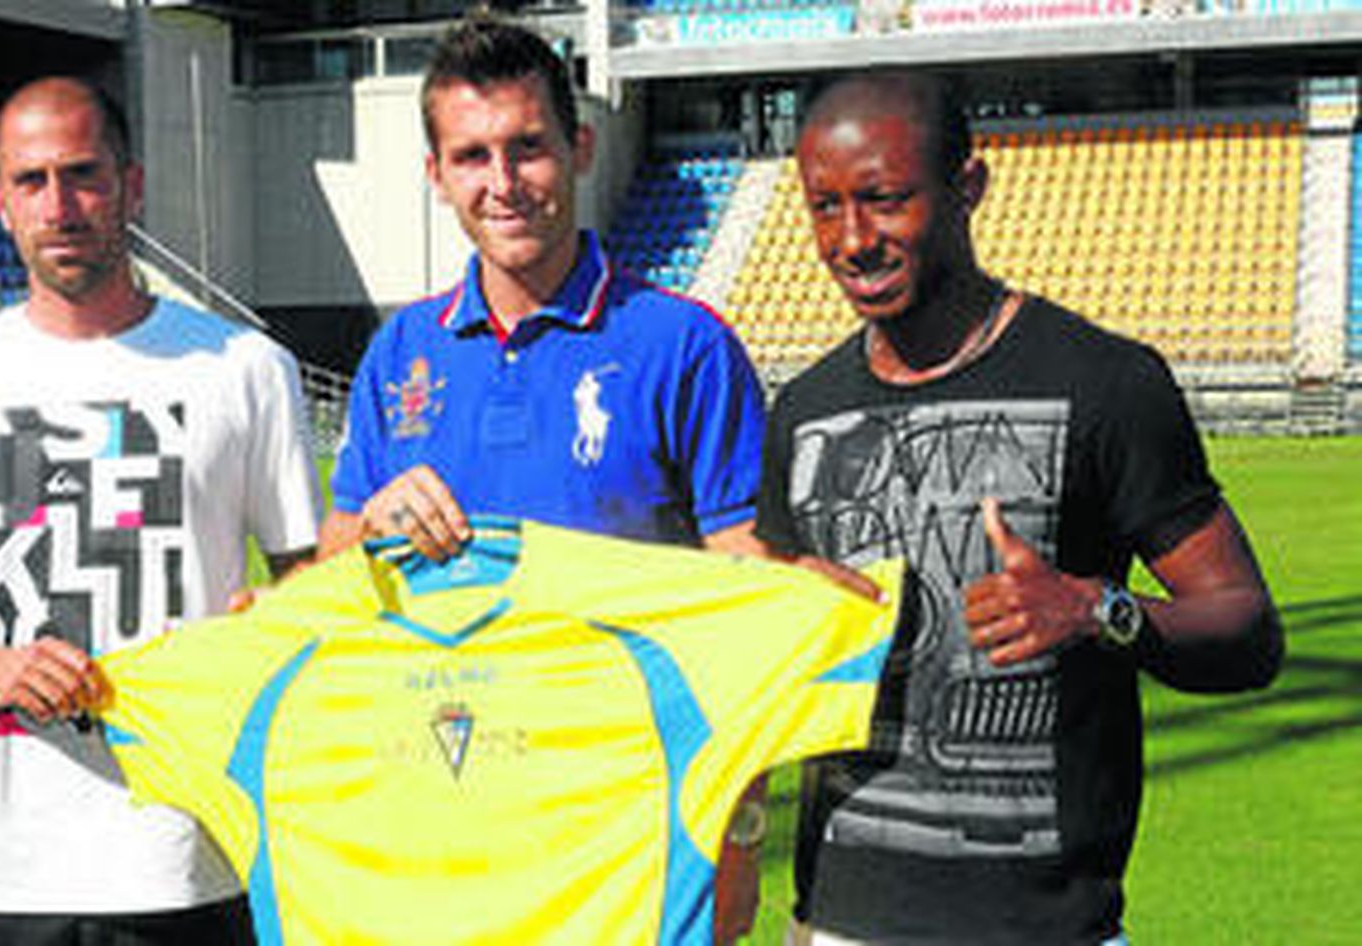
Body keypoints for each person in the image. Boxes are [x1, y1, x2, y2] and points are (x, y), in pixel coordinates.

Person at [757, 72, 1283, 944]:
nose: (852, 240)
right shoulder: (803, 412)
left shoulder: (1107, 383)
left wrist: (1097, 610)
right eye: (824, 207)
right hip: (839, 924)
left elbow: (1249, 634)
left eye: (885, 200)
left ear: (969, 188)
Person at [316, 15, 775, 942]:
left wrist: (743, 823)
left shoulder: (684, 344)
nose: (504, 182)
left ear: (580, 147)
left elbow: (748, 585)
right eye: (473, 155)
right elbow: (329, 571)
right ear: (436, 175)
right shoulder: (398, 351)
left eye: (528, 147)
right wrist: (371, 526)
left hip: (632, 817)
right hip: (447, 811)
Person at [0, 76, 322, 944]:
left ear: (132, 185)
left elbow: (308, 587)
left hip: (185, 862)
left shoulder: (247, 369)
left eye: (84, 174)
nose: (60, 205)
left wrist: (278, 623)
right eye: (31, 181)